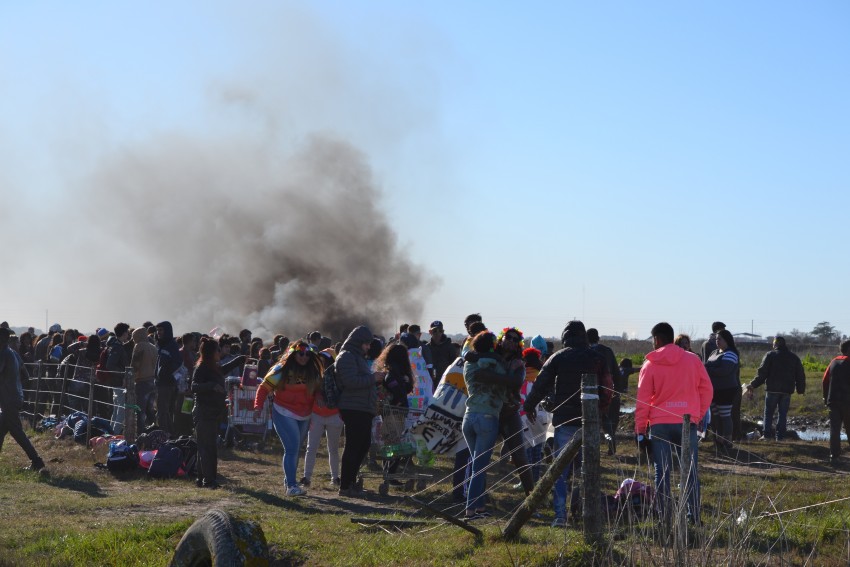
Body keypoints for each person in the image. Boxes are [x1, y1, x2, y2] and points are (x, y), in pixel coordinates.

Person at [523, 320, 612, 528]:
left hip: (563, 420)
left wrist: (529, 406)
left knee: (560, 471)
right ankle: (584, 513)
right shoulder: (598, 358)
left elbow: (540, 384)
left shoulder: (558, 357)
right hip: (589, 421)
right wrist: (601, 411)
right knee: (587, 468)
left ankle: (560, 516)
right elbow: (608, 388)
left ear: (564, 338)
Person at [634, 322, 713, 525]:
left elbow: (642, 401)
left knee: (663, 472)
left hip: (660, 424)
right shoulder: (693, 360)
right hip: (687, 424)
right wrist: (697, 414)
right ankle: (693, 517)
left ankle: (664, 517)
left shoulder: (650, 365)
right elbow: (707, 389)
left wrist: (641, 431)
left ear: (657, 339)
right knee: (690, 471)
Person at [462, 330, 523, 520]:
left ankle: (479, 508)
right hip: (487, 419)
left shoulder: (468, 362)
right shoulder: (497, 365)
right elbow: (513, 381)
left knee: (476, 465)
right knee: (479, 469)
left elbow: (470, 359)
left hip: (468, 418)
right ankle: (470, 511)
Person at [254, 340, 322, 496]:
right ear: (293, 354)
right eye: (301, 354)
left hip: (304, 414)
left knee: (295, 449)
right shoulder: (280, 370)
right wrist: (258, 406)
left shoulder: (313, 371)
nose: (304, 357)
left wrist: (319, 396)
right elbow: (264, 388)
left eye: (307, 354)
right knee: (292, 448)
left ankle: (289, 482)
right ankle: (291, 486)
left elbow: (318, 388)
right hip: (283, 412)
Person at [192, 337, 245, 489]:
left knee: (206, 446)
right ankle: (208, 481)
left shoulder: (212, 366)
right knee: (207, 447)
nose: (220, 352)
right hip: (203, 412)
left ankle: (203, 479)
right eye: (218, 350)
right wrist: (212, 386)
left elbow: (223, 370)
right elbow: (194, 386)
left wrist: (239, 360)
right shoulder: (201, 367)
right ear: (211, 352)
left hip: (211, 412)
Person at [335, 326, 380, 497]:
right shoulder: (347, 357)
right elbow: (350, 381)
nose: (368, 347)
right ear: (358, 342)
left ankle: (351, 482)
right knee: (354, 446)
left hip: (362, 407)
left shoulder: (357, 357)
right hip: (353, 407)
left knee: (363, 446)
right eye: (366, 344)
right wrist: (373, 378)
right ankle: (345, 485)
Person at [0, 328, 46, 472]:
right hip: (15, 397)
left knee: (17, 432)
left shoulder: (3, 353)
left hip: (8, 400)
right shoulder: (13, 353)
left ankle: (37, 461)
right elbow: (26, 376)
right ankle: (36, 461)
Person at [745, 336, 806, 441]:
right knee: (782, 414)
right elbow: (800, 375)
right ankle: (780, 437)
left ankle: (767, 436)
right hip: (787, 391)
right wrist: (800, 389)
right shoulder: (794, 357)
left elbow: (762, 373)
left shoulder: (770, 355)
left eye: (773, 343)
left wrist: (753, 384)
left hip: (772, 389)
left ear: (776, 344)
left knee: (768, 413)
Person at [302, 350, 344, 487]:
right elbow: (307, 392)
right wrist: (317, 395)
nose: (321, 361)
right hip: (316, 415)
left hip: (334, 415)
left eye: (324, 359)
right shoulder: (313, 374)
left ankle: (335, 478)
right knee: (311, 447)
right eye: (319, 358)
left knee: (333, 448)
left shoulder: (338, 375)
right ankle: (306, 477)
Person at [373, 343, 414, 478]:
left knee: (391, 442)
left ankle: (389, 472)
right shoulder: (394, 372)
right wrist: (401, 397)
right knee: (394, 443)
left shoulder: (391, 370)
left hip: (392, 411)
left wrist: (405, 382)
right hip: (395, 411)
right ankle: (390, 474)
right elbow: (397, 388)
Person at [704, 329, 740, 450]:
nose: (717, 341)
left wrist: (708, 370)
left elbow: (724, 371)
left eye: (720, 339)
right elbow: (706, 365)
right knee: (715, 415)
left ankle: (728, 440)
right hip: (713, 389)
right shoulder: (714, 352)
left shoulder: (730, 353)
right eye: (716, 339)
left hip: (726, 389)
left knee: (725, 415)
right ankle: (718, 438)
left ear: (727, 340)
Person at [588, 328, 622, 455]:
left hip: (591, 392)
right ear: (598, 338)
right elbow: (617, 373)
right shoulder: (607, 351)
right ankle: (611, 445)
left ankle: (593, 448)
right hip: (609, 390)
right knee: (609, 421)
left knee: (592, 421)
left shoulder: (586, 352)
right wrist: (617, 391)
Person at [823, 340, 850, 464]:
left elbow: (825, 381)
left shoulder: (833, 362)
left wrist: (825, 398)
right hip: (847, 401)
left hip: (832, 400)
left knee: (834, 429)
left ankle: (834, 455)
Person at [154, 321, 182, 436]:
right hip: (161, 383)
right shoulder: (162, 344)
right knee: (165, 412)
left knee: (162, 412)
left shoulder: (172, 345)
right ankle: (171, 435)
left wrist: (166, 373)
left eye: (161, 330)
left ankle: (164, 436)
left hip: (167, 384)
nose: (158, 333)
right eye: (158, 330)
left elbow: (178, 362)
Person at [130, 326, 158, 432]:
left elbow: (135, 365)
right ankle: (154, 430)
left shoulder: (139, 346)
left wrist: (129, 379)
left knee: (140, 411)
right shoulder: (153, 347)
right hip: (153, 382)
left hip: (142, 382)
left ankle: (140, 434)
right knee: (150, 410)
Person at [428, 320, 455, 384]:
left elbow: (454, 365)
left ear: (443, 332)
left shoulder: (450, 347)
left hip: (446, 381)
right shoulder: (427, 348)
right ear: (430, 332)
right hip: (431, 382)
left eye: (440, 331)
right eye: (434, 331)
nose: (437, 333)